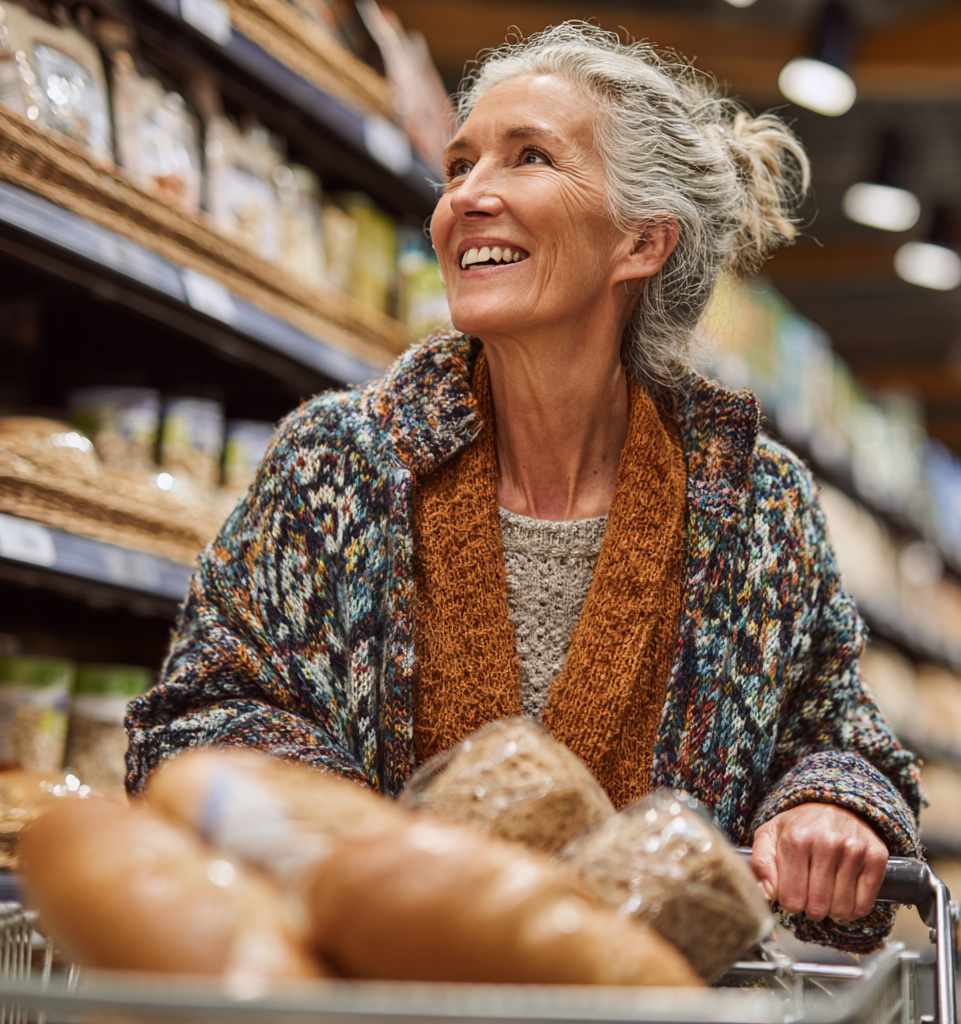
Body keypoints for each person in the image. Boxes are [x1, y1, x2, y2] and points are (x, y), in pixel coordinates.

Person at [126, 22, 921, 953]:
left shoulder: (756, 504)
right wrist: (382, 854)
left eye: (529, 157)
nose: (470, 195)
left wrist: (830, 807)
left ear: (642, 243)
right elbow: (197, 713)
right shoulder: (339, 463)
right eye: (458, 165)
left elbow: (840, 735)